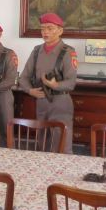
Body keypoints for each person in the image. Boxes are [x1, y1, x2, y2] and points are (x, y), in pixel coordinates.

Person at [18, 13, 78, 153]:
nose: (45, 32)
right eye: (43, 28)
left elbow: (71, 83)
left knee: (62, 145)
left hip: (60, 102)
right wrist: (30, 91)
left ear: (60, 31)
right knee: (43, 144)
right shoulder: (36, 51)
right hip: (41, 102)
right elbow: (23, 78)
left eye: (50, 28)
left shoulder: (68, 52)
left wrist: (55, 85)